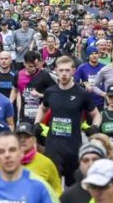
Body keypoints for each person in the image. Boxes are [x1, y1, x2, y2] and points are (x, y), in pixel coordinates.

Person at [38, 56, 98, 186]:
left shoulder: (82, 93)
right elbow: (42, 108)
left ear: (73, 71)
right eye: (61, 70)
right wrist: (37, 124)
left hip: (73, 147)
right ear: (56, 71)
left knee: (73, 186)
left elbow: (96, 115)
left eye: (67, 70)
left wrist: (95, 127)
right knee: (52, 185)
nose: (64, 74)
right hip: (53, 146)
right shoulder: (50, 92)